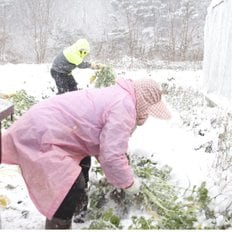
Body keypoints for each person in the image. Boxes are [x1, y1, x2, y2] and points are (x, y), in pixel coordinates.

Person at [2, 77, 171, 229]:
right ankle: (59, 224)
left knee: (83, 164)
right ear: (144, 100)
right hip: (44, 131)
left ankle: (78, 215)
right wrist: (129, 184)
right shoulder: (124, 107)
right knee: (69, 186)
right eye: (148, 108)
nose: (147, 114)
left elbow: (104, 141)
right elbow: (111, 155)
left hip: (49, 124)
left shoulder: (121, 96)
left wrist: (120, 168)